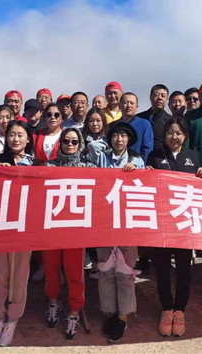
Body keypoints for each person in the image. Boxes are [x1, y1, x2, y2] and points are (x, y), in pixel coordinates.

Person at [146, 117, 202, 337]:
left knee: (183, 269)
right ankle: (166, 309)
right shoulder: (155, 156)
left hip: (183, 223)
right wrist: (146, 172)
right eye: (170, 133)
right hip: (161, 222)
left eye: (179, 133)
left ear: (185, 136)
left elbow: (200, 186)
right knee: (161, 268)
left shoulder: (192, 156)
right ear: (164, 136)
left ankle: (180, 310)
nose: (174, 137)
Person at [87, 121, 145, 343]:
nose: (119, 139)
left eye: (123, 136)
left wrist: (136, 172)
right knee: (105, 268)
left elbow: (144, 187)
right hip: (104, 221)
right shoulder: (102, 157)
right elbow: (91, 149)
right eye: (115, 135)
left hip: (128, 222)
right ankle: (109, 312)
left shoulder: (137, 161)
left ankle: (123, 316)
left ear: (129, 139)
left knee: (125, 270)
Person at [0, 121, 35, 346]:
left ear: (28, 139)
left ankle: (13, 319)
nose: (16, 139)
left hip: (24, 227)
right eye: (12, 135)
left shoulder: (36, 164)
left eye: (20, 135)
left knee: (20, 275)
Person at [44, 128, 95, 339]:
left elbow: (105, 187)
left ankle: (74, 311)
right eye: (66, 141)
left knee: (75, 272)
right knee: (51, 269)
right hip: (52, 228)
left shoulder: (89, 168)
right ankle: (53, 302)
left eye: (75, 141)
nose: (70, 145)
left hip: (76, 230)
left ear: (80, 143)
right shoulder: (49, 166)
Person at [120, 92, 154, 162]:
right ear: (119, 106)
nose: (129, 105)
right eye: (125, 103)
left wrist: (138, 164)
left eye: (132, 103)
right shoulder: (113, 125)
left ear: (137, 107)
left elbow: (147, 149)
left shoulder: (145, 124)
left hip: (137, 165)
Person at [137, 84, 172, 150]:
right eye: (156, 95)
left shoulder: (170, 120)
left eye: (163, 96)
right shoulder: (139, 118)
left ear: (167, 99)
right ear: (150, 97)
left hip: (161, 154)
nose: (160, 98)